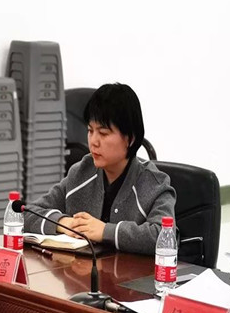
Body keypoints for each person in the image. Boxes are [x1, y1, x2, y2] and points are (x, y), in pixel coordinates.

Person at [24, 83, 176, 255]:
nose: (93, 142)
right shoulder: (81, 173)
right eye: (90, 131)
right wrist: (64, 223)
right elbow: (26, 214)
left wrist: (105, 231)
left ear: (130, 139)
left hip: (130, 272)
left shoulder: (154, 184)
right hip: (81, 271)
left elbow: (165, 236)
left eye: (103, 133)